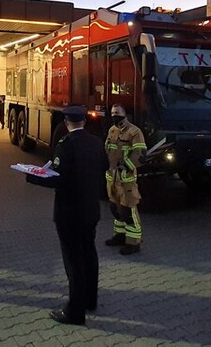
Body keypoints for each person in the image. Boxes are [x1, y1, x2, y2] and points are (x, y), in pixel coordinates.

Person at [26, 105, 108, 325]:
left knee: (73, 261)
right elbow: (104, 167)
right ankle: (90, 299)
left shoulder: (65, 145)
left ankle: (74, 312)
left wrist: (32, 176)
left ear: (65, 123)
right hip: (91, 210)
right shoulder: (96, 142)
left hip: (69, 213)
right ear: (84, 121)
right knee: (89, 254)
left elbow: (59, 178)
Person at [104, 103, 145, 255]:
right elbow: (108, 149)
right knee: (115, 209)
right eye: (113, 112)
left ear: (124, 114)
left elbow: (140, 155)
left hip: (126, 179)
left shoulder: (135, 132)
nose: (114, 115)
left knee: (128, 211)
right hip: (112, 178)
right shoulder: (112, 130)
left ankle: (134, 243)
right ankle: (119, 236)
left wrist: (125, 167)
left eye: (117, 113)